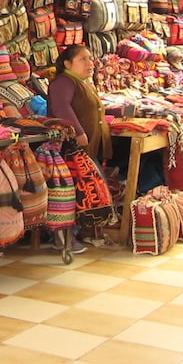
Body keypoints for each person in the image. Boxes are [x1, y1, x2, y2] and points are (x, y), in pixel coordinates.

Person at [48, 45, 113, 253]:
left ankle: (73, 234)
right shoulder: (63, 82)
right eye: (82, 59)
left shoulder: (81, 83)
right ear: (67, 63)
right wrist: (77, 131)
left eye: (90, 59)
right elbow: (61, 107)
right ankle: (64, 237)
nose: (89, 63)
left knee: (82, 190)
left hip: (83, 149)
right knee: (71, 192)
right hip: (70, 148)